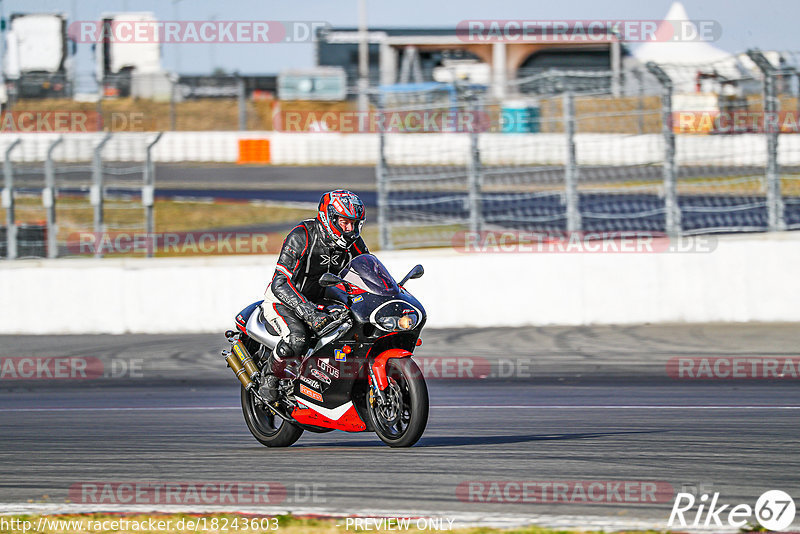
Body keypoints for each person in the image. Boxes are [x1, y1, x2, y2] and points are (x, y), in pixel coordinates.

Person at [259, 190, 369, 402]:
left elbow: (368, 269)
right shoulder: (302, 235)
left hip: (322, 299)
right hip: (284, 300)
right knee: (298, 338)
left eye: (354, 224)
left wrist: (390, 290)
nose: (350, 229)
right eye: (345, 222)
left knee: (352, 328)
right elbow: (279, 283)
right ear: (329, 218)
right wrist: (308, 312)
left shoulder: (352, 241)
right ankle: (270, 378)